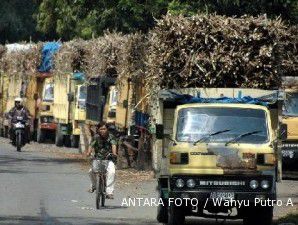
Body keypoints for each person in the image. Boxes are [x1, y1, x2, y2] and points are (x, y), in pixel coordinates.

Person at [86, 122, 118, 199]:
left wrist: (114, 153)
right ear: (98, 130)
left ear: (107, 129)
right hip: (98, 159)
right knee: (91, 171)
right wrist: (88, 153)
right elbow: (91, 145)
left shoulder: (111, 137)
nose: (103, 131)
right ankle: (94, 186)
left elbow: (113, 144)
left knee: (112, 172)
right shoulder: (96, 137)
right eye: (101, 129)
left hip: (108, 158)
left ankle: (109, 192)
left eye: (104, 129)